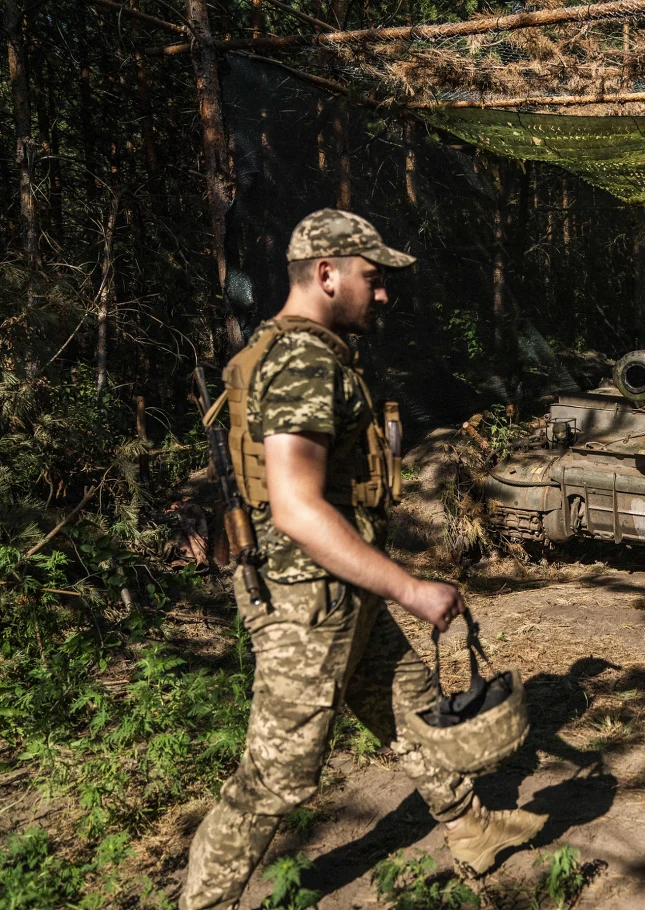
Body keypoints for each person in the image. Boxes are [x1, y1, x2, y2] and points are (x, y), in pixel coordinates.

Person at [181, 210, 544, 910]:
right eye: (372, 280)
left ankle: (471, 830)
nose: (383, 296)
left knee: (410, 708)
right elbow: (296, 507)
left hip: (341, 590)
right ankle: (204, 902)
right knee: (275, 780)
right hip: (306, 607)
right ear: (325, 274)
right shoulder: (303, 363)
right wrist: (411, 588)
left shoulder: (301, 352)